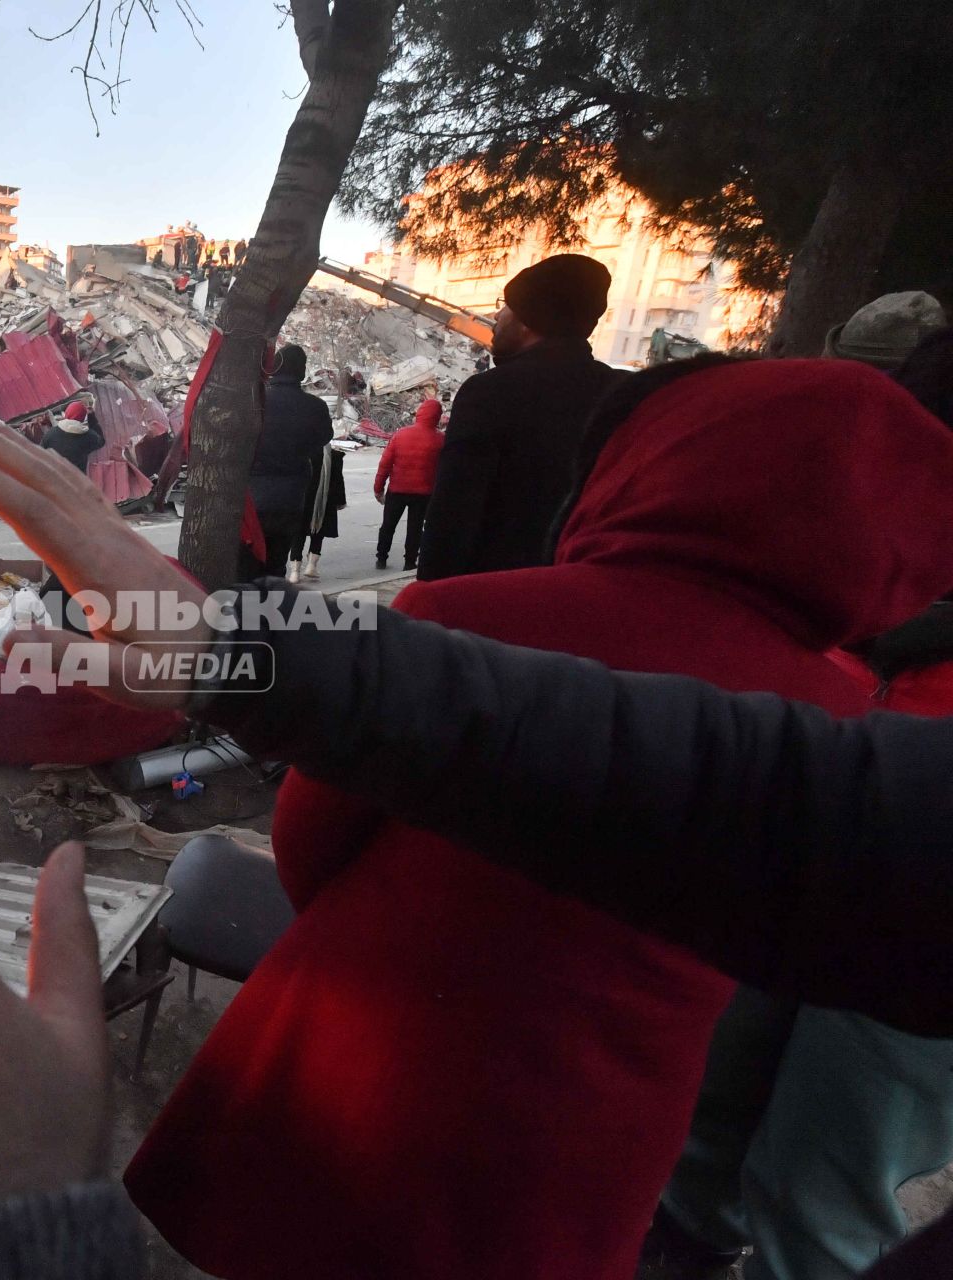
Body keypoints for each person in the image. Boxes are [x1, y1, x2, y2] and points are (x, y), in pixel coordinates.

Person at [0, 408, 953, 1280]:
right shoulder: (850, 698)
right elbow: (719, 801)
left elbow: (319, 840)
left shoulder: (493, 616)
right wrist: (225, 649)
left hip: (355, 1076)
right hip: (590, 1143)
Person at [135, 356, 953, 1280]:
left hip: (366, 1039)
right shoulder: (843, 714)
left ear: (641, 464)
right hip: (598, 1109)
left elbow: (312, 833)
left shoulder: (469, 611)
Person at [646, 322, 953, 1280]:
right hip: (815, 802)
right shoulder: (879, 507)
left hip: (922, 875)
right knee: (717, 1110)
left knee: (834, 1188)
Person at [417, 253, 620, 581]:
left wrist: (429, 598)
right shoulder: (619, 395)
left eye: (507, 305)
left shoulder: (490, 393)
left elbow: (453, 516)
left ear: (529, 319)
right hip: (578, 592)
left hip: (490, 593)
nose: (498, 315)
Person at [245, 344, 331, 580]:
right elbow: (323, 439)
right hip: (290, 499)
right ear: (302, 373)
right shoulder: (315, 407)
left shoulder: (255, 402)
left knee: (247, 566)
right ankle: (269, 613)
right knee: (276, 565)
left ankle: (244, 613)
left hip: (252, 499)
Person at [372, 396, 444, 570]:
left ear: (419, 414)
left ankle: (382, 558)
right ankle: (410, 562)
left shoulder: (400, 435)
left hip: (397, 489)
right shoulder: (441, 440)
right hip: (424, 493)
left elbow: (385, 463)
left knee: (388, 525)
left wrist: (378, 488)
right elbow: (443, 469)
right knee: (415, 528)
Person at [288, 436, 345, 582]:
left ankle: (295, 572)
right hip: (323, 502)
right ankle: (311, 566)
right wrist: (340, 501)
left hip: (302, 500)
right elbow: (338, 481)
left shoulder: (298, 453)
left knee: (298, 534)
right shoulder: (333, 455)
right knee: (318, 533)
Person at [40, 400, 103, 474]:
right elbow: (101, 441)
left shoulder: (51, 434)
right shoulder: (88, 436)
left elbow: (40, 453)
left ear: (67, 413)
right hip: (77, 482)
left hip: (54, 479)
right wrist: (91, 417)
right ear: (83, 418)